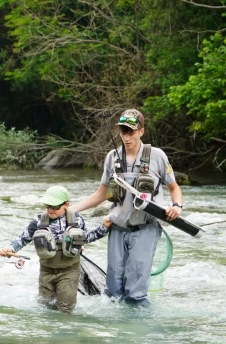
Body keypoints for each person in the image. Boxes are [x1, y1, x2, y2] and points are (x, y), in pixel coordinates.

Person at [72, 108, 183, 306]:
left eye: (130, 131)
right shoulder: (111, 158)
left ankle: (138, 331)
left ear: (141, 131)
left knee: (135, 293)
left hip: (145, 229)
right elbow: (101, 194)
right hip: (117, 229)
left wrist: (177, 206)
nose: (126, 136)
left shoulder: (157, 156)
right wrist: (71, 210)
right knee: (113, 290)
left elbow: (174, 188)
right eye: (123, 131)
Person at [0, 185, 112, 314]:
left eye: (55, 206)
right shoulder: (39, 221)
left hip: (69, 272)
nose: (50, 209)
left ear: (66, 205)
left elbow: (86, 238)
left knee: (65, 309)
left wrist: (104, 228)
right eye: (48, 205)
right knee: (44, 308)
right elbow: (23, 239)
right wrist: (9, 249)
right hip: (46, 272)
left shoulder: (77, 220)